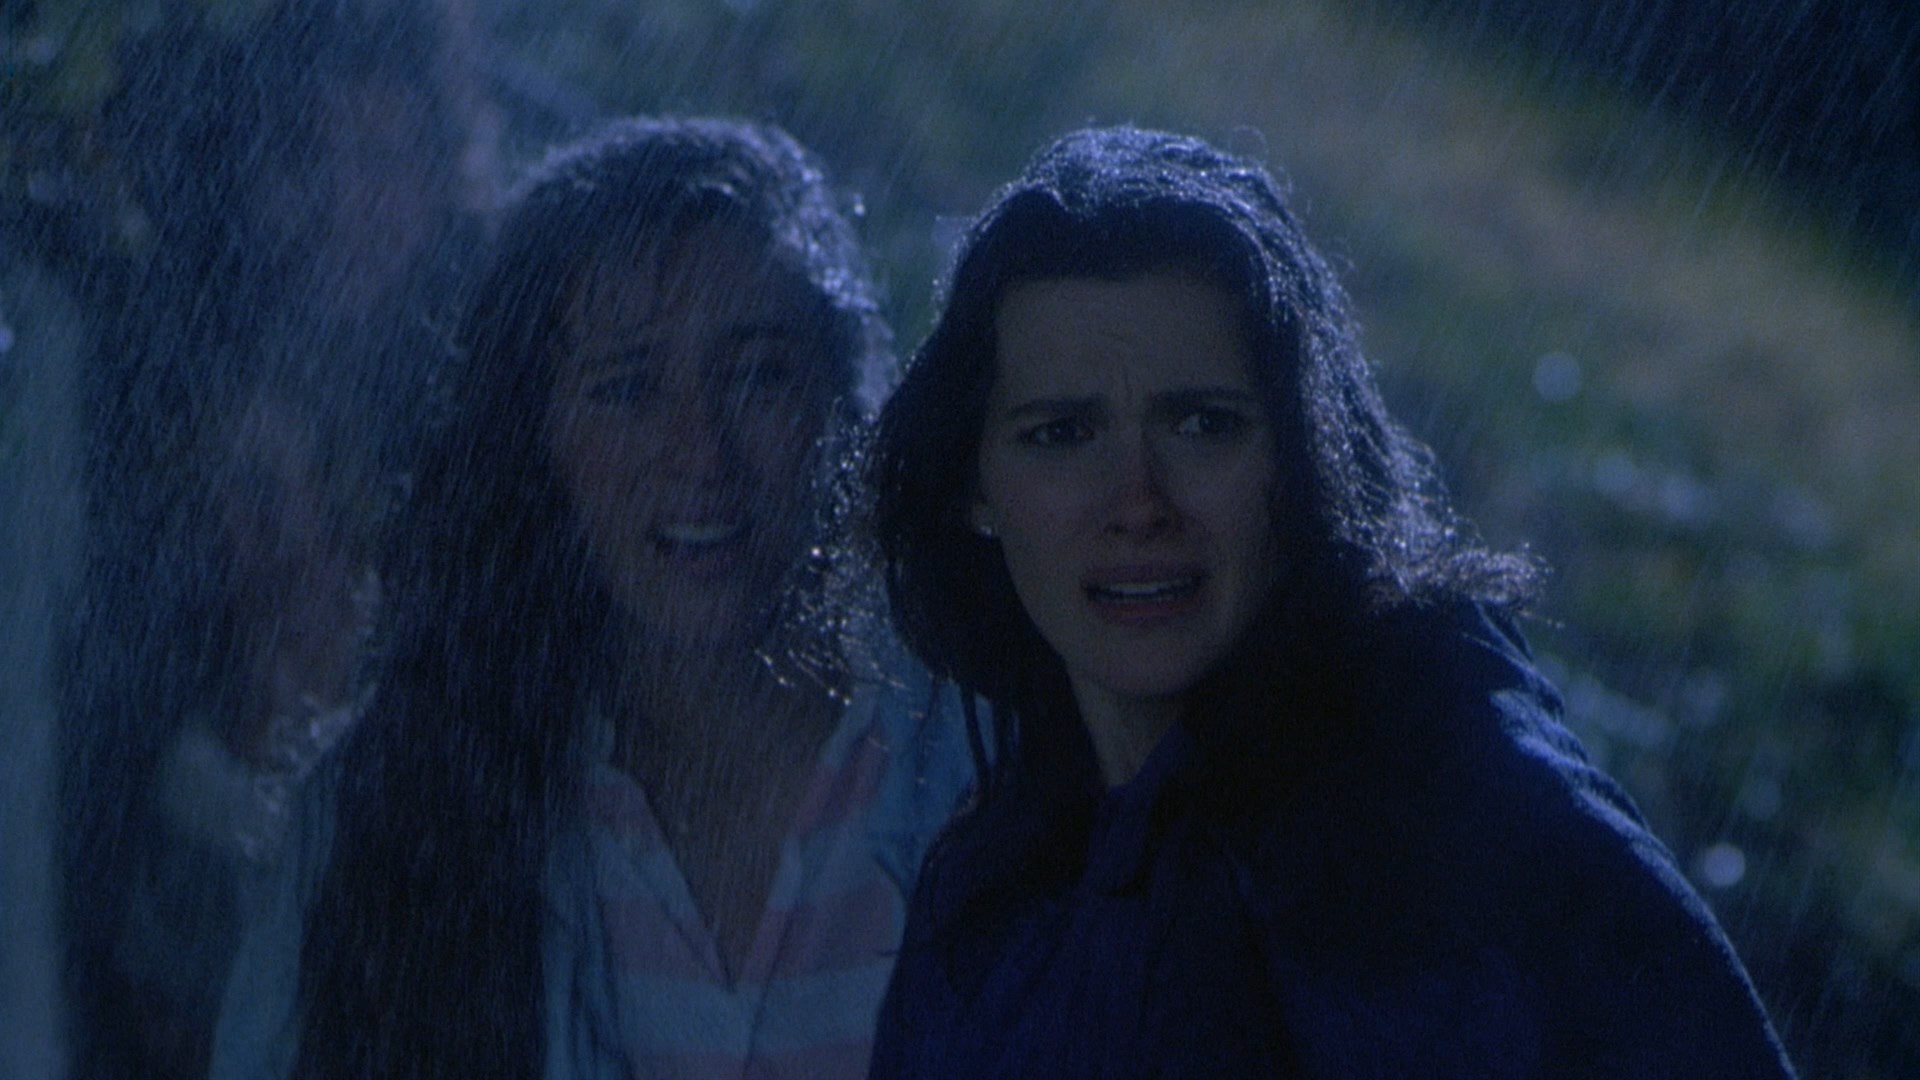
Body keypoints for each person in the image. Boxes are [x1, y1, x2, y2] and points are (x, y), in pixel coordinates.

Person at [866, 126, 1796, 1078]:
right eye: (1062, 434)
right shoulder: (996, 888)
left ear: (1305, 453)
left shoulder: (1464, 819)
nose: (1138, 504)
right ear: (974, 483)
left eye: (1203, 425)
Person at [216, 117, 975, 1078]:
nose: (700, 454)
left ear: (842, 402)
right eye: (627, 388)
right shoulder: (391, 813)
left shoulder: (987, 755)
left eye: (757, 376)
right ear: (534, 437)